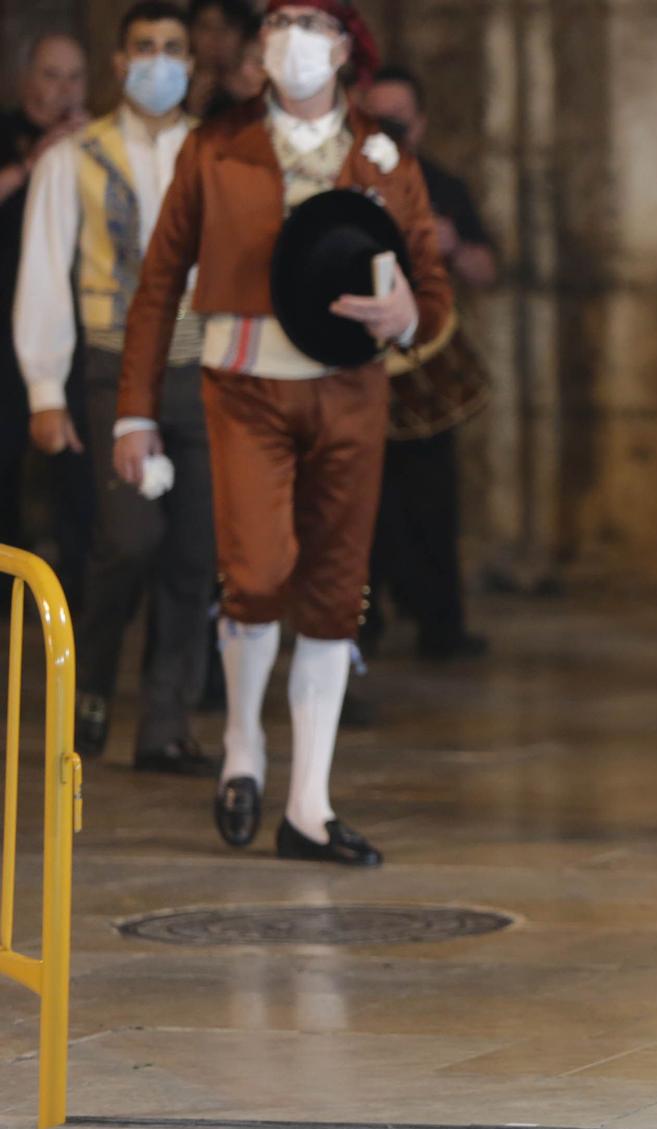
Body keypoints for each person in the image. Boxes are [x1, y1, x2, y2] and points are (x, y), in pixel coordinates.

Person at [117, 0, 452, 865]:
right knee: (257, 570)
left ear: (345, 46)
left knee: (337, 589)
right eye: (277, 19)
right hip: (246, 388)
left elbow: (433, 292)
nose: (291, 36)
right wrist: (135, 409)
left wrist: (410, 313)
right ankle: (241, 744)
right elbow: (158, 283)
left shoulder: (383, 156)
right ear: (262, 45)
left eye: (311, 20)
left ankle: (309, 803)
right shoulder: (216, 146)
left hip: (349, 391)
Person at [15, 2, 216, 774]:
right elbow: (42, 274)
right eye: (144, 48)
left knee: (194, 550)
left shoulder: (218, 152)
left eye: (173, 49)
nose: (158, 61)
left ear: (191, 64)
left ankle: (166, 722)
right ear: (120, 60)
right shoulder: (77, 156)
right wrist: (44, 389)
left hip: (203, 367)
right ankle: (91, 682)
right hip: (109, 363)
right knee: (129, 536)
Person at [360, 64, 495, 662]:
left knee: (434, 504)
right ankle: (358, 630)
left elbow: (488, 269)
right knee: (361, 509)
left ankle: (442, 626)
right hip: (357, 370)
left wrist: (454, 246)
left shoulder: (442, 184)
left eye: (399, 121)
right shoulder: (343, 182)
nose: (389, 132)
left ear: (421, 124)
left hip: (425, 370)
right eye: (377, 121)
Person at [1, 33, 92, 593]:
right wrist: (37, 161)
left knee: (75, 457)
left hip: (73, 324)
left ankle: (78, 583)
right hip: (2, 319)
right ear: (26, 77)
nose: (62, 88)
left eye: (74, 76)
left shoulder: (96, 142)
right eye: (51, 74)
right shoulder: (8, 131)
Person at [186, 0, 257, 117]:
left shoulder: (259, 86)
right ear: (191, 33)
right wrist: (192, 112)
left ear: (243, 36)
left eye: (228, 27)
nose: (216, 38)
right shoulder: (176, 87)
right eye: (206, 27)